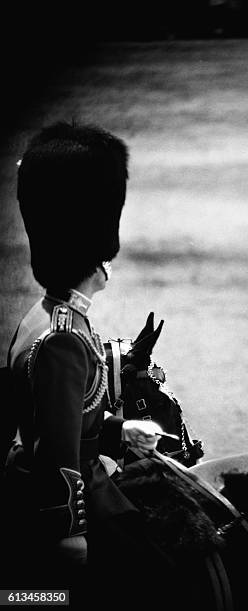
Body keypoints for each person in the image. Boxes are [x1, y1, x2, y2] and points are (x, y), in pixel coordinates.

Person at [2, 122, 166, 599]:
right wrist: (70, 533)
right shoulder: (62, 339)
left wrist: (122, 431)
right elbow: (59, 454)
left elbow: (70, 419)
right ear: (94, 254)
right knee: (154, 570)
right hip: (69, 500)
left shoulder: (55, 316)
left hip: (68, 474)